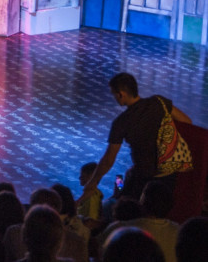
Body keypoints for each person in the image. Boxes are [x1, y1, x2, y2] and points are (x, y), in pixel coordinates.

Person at [79, 73, 192, 204]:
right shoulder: (159, 102)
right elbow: (186, 121)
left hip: (144, 176)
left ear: (121, 94)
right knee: (160, 207)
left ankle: (117, 193)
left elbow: (109, 159)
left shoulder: (122, 122)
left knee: (123, 199)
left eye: (114, 94)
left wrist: (93, 182)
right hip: (168, 172)